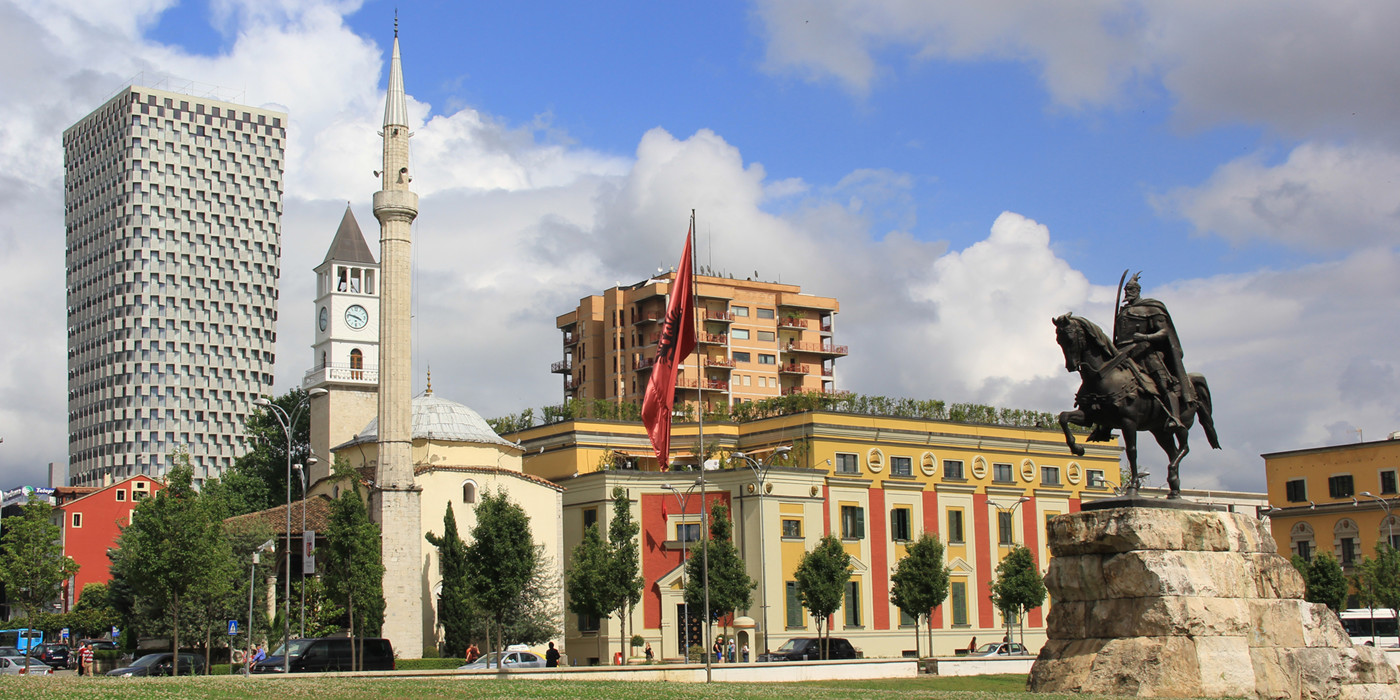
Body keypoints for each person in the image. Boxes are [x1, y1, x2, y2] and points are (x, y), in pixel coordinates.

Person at [1113, 272, 1193, 430]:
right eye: (1126, 290)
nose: (1128, 292)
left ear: (1138, 290)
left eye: (1131, 289)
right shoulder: (1123, 312)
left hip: (1145, 352)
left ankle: (1175, 417)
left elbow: (1163, 332)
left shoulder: (1151, 308)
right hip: (1123, 354)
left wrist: (1145, 337)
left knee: (1163, 384)